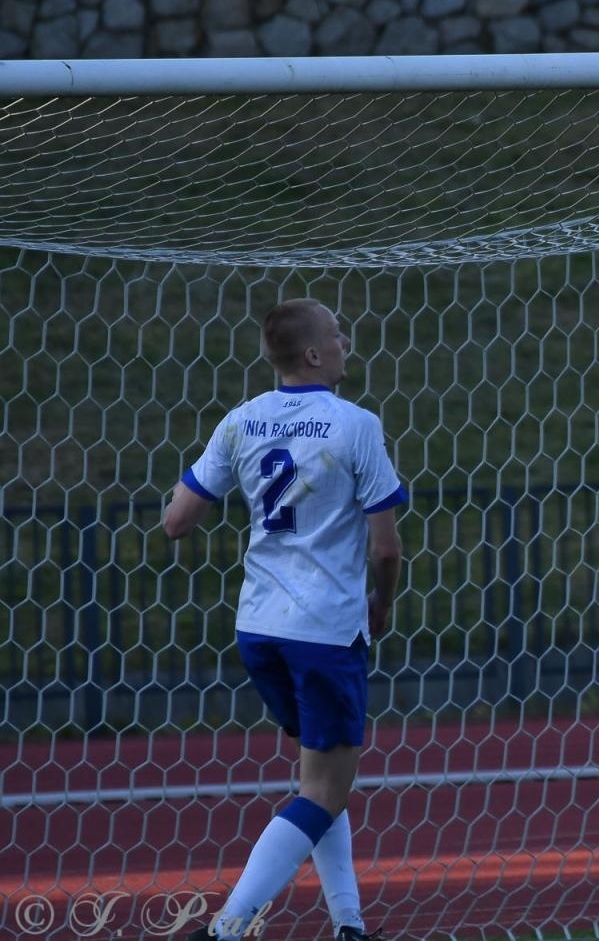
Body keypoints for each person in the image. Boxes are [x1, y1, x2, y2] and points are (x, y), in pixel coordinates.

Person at [162, 298, 406, 941]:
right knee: (325, 789)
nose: (347, 338)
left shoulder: (241, 421)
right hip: (325, 630)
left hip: (260, 628)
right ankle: (226, 929)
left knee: (321, 775)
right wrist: (384, 601)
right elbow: (386, 547)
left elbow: (176, 521)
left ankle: (349, 925)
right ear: (314, 354)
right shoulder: (357, 426)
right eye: (336, 332)